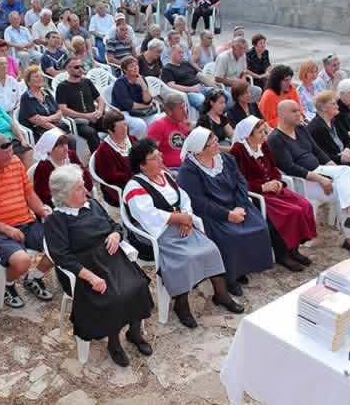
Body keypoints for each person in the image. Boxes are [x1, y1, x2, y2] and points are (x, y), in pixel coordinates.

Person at [125, 138, 243, 328]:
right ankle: (181, 305)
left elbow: (184, 198)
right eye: (154, 158)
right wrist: (179, 218)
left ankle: (221, 294)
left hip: (181, 224)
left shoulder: (166, 176)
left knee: (211, 248)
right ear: (142, 165)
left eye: (159, 155)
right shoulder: (134, 186)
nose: (160, 158)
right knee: (183, 260)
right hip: (158, 233)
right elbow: (147, 215)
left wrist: (187, 218)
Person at [45, 164, 153, 366]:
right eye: (78, 188)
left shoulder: (92, 204)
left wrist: (115, 235)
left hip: (112, 258)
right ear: (64, 194)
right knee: (114, 297)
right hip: (85, 270)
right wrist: (91, 277)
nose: (85, 189)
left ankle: (134, 333)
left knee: (138, 285)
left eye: (83, 184)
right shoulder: (56, 220)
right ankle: (114, 343)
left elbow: (115, 225)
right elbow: (62, 257)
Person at [267, 100, 350, 254]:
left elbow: (318, 152)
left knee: (344, 173)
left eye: (299, 110)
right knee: (341, 193)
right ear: (282, 114)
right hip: (302, 182)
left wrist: (334, 171)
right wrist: (321, 179)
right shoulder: (275, 139)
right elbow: (289, 167)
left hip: (319, 170)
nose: (299, 113)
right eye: (294, 111)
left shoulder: (301, 130)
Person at [178, 127, 274, 295]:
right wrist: (227, 215)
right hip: (212, 213)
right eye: (212, 143)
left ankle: (243, 268)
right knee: (230, 236)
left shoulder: (226, 159)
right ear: (200, 150)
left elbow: (241, 183)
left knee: (259, 227)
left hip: (236, 205)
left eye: (215, 140)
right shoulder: (189, 170)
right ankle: (230, 277)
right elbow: (198, 202)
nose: (217, 144)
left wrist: (240, 206)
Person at [0, 134, 55, 308]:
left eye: (10, 152)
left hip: (26, 223)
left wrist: (43, 212)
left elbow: (29, 194)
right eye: (4, 154)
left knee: (61, 242)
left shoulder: (15, 162)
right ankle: (7, 286)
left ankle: (33, 277)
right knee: (22, 262)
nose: (9, 157)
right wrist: (5, 228)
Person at [230, 116, 317, 271]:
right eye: (260, 132)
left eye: (265, 131)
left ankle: (294, 249)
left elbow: (274, 169)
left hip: (273, 189)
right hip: (257, 194)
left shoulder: (262, 145)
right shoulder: (238, 150)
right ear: (249, 134)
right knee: (291, 211)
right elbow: (238, 181)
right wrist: (262, 187)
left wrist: (276, 181)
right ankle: (282, 254)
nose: (264, 135)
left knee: (304, 205)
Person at [56, 55, 105, 152]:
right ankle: (98, 161)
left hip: (95, 117)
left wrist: (99, 111)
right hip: (78, 122)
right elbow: (63, 110)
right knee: (91, 133)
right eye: (76, 67)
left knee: (116, 123)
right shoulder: (62, 87)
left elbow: (100, 99)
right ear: (67, 69)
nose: (80, 69)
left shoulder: (87, 82)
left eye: (81, 66)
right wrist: (86, 116)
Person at [31, 128, 92, 207]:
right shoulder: (44, 166)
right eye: (60, 146)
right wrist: (67, 199)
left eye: (66, 144)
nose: (66, 149)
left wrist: (82, 192)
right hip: (59, 205)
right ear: (50, 149)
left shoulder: (71, 156)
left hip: (79, 198)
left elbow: (86, 177)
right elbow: (42, 194)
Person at [161, 44, 227, 112]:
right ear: (171, 53)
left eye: (182, 52)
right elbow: (172, 86)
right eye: (179, 52)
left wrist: (215, 86)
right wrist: (192, 89)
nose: (182, 55)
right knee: (203, 102)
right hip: (188, 93)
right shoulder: (167, 69)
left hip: (202, 88)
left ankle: (226, 117)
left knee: (223, 94)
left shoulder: (185, 63)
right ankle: (208, 120)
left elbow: (201, 76)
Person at [112, 56, 162, 139]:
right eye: (131, 66)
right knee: (140, 125)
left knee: (156, 119)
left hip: (141, 111)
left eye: (136, 65)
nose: (135, 68)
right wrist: (146, 106)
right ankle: (133, 146)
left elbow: (148, 100)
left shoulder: (141, 79)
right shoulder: (120, 83)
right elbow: (128, 105)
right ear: (125, 70)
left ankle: (149, 144)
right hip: (124, 112)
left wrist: (143, 86)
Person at [94, 110, 137, 207]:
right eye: (120, 127)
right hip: (120, 189)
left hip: (137, 180)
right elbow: (113, 178)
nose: (125, 129)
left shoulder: (132, 139)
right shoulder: (104, 151)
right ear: (110, 130)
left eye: (125, 125)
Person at [18, 65, 71, 142]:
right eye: (36, 76)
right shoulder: (26, 97)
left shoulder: (47, 93)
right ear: (28, 82)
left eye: (41, 76)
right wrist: (58, 131)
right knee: (68, 140)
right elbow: (37, 122)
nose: (40, 78)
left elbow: (59, 113)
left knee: (71, 139)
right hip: (40, 131)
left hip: (54, 126)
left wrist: (47, 119)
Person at [147, 92, 190, 170]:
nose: (184, 112)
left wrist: (190, 132)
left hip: (187, 166)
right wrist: (168, 172)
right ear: (169, 111)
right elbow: (150, 155)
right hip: (172, 169)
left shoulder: (183, 124)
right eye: (181, 108)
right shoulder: (158, 126)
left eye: (184, 107)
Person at [214, 36, 262, 101]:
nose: (242, 51)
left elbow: (243, 73)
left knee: (257, 90)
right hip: (226, 86)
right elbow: (218, 78)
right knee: (232, 97)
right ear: (233, 48)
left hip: (238, 85)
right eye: (240, 48)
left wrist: (244, 84)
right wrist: (235, 83)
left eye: (244, 48)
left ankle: (248, 108)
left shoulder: (243, 56)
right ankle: (238, 109)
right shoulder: (223, 58)